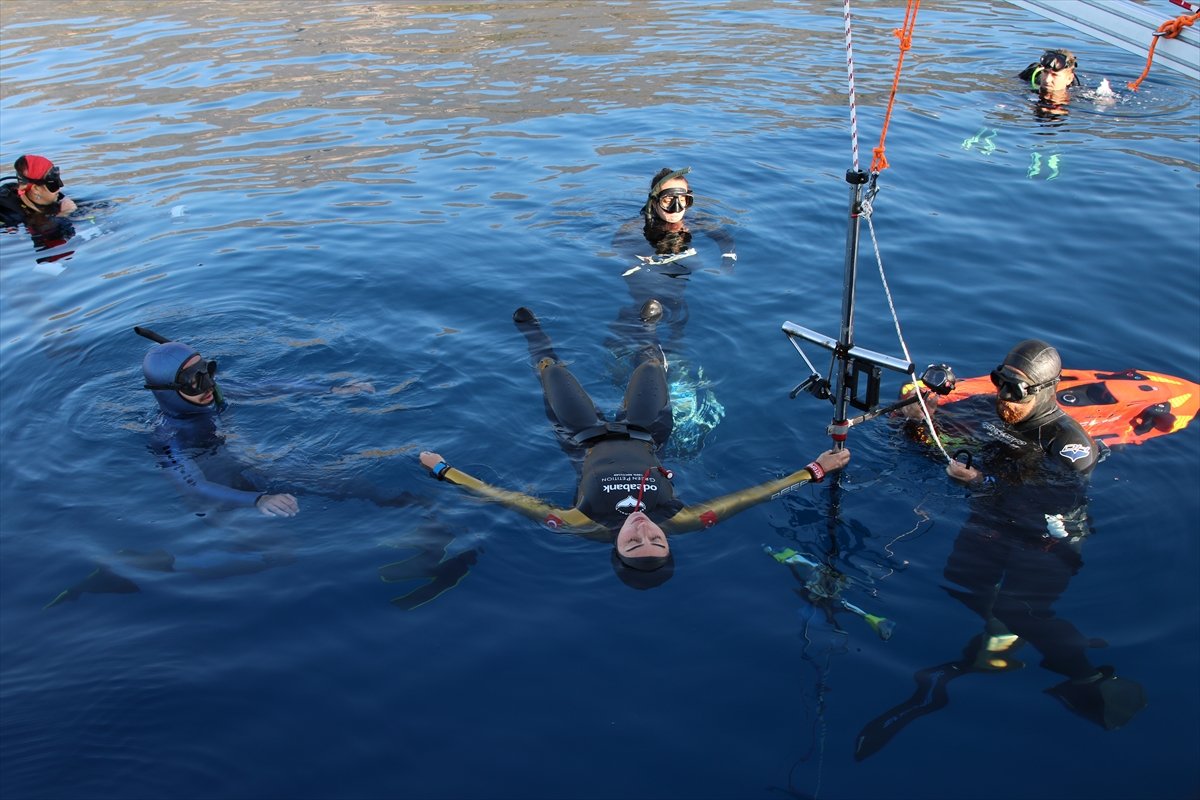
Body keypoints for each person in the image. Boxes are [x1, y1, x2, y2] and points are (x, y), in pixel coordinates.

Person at [418, 308, 849, 588]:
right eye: (656, 541)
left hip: (582, 436)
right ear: (667, 540)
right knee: (648, 365)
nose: (643, 529)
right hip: (647, 431)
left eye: (634, 543)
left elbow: (505, 499)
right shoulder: (687, 520)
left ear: (616, 549)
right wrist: (816, 468)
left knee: (553, 373)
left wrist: (444, 471)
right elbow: (754, 495)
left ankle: (536, 338)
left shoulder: (579, 524)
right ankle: (648, 328)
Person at [0, 154, 77, 223]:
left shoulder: (51, 196)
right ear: (36, 189)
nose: (60, 186)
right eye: (53, 183)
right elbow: (44, 234)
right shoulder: (9, 214)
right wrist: (63, 214)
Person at [1018, 49, 1080, 114]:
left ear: (1069, 79)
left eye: (1054, 75)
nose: (1047, 80)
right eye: (1045, 72)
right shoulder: (1028, 78)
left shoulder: (1079, 98)